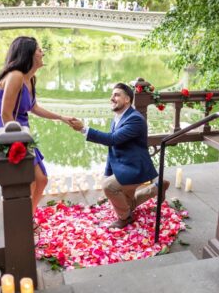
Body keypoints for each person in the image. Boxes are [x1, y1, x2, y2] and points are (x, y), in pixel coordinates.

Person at [0, 36, 76, 213]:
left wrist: (61, 117)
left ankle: (27, 218)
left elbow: (34, 107)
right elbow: (5, 113)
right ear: (28, 53)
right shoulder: (15, 76)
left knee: (42, 179)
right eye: (39, 50)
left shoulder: (30, 79)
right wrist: (17, 142)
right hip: (10, 134)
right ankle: (21, 221)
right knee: (29, 180)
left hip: (23, 133)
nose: (42, 52)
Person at [70, 83, 170, 228]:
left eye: (116, 95)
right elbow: (112, 147)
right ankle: (157, 188)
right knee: (129, 203)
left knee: (109, 186)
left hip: (136, 167)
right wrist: (107, 172)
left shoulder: (135, 119)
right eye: (112, 95)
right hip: (123, 165)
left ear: (127, 99)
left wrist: (83, 128)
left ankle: (125, 218)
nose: (112, 98)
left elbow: (112, 139)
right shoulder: (118, 117)